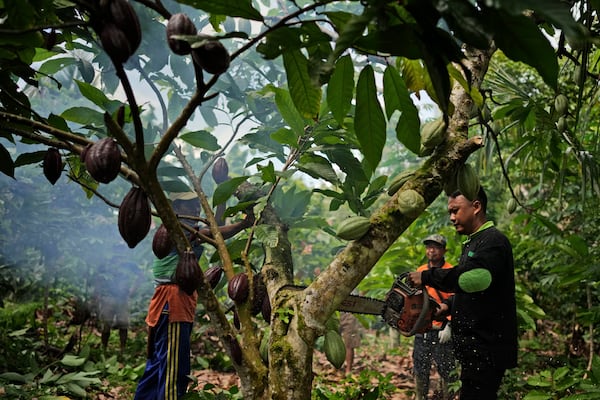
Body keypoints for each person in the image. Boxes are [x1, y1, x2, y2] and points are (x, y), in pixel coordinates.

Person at [134, 194, 253, 400]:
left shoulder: (186, 229)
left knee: (158, 366)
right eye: (190, 205)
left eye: (197, 204)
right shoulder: (179, 229)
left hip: (169, 305)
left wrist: (222, 196)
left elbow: (214, 229)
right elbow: (214, 233)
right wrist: (244, 224)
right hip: (173, 304)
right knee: (173, 371)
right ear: (176, 208)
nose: (196, 208)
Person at [408, 187, 518, 400]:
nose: (452, 217)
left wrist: (428, 277)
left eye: (456, 210)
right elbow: (471, 292)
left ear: (476, 206)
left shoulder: (492, 241)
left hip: (486, 347)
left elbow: (475, 278)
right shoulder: (474, 242)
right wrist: (448, 306)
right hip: (474, 348)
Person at [412, 234, 456, 400]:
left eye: (436, 247)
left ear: (444, 250)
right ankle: (420, 396)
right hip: (423, 328)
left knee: (447, 369)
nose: (432, 251)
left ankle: (448, 397)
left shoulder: (450, 271)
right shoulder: (421, 271)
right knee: (420, 367)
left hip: (442, 328)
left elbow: (456, 299)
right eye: (429, 247)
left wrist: (450, 325)